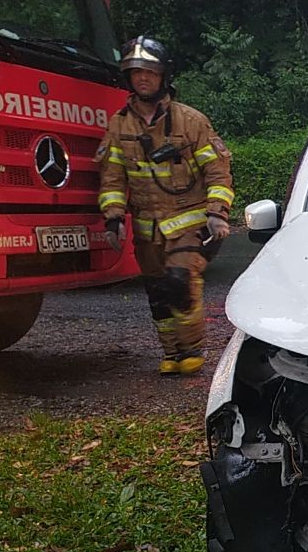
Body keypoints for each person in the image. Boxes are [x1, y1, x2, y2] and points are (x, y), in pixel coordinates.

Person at [97, 35, 233, 376]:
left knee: (179, 281)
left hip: (189, 222)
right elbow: (112, 177)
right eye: (136, 72)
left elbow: (218, 171)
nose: (143, 78)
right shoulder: (119, 125)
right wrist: (113, 217)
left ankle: (192, 349)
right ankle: (172, 353)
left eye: (150, 72)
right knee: (157, 294)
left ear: (163, 76)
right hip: (148, 229)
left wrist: (217, 213)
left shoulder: (191, 121)